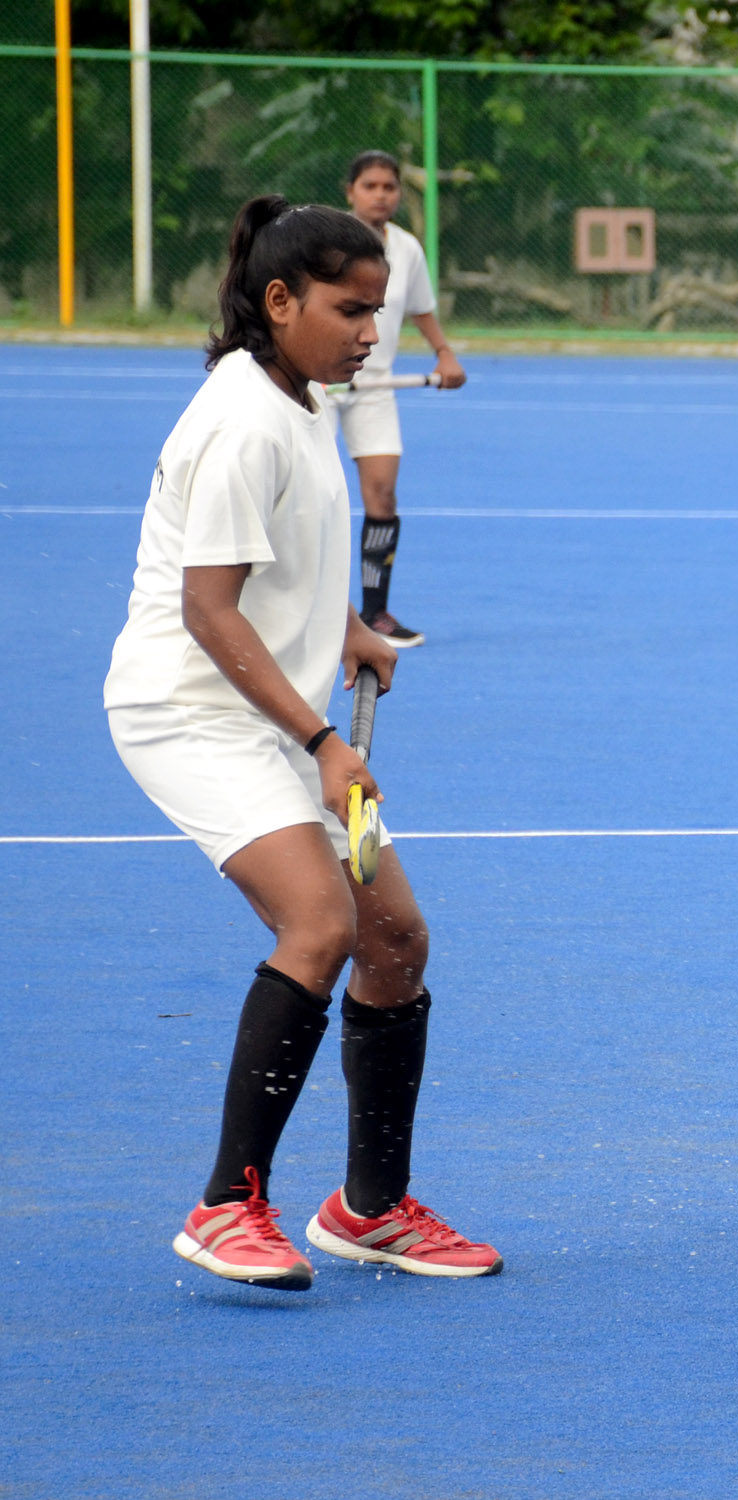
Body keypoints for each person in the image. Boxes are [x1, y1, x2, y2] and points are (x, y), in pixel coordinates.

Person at [106, 196, 501, 1291]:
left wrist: (349, 629)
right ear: (277, 303)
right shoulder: (239, 419)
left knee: (397, 943)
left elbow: (290, 565)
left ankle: (369, 1210)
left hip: (269, 702)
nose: (370, 334)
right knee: (323, 923)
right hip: (191, 708)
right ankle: (227, 1204)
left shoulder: (304, 396)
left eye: (379, 311)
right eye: (350, 310)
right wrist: (325, 737)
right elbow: (211, 610)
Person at [331, 149, 467, 649]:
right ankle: (308, 613)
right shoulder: (327, 242)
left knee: (383, 495)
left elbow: (421, 309)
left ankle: (374, 615)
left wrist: (444, 354)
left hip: (375, 386)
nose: (381, 194)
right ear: (351, 192)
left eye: (389, 187)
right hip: (321, 385)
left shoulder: (406, 248)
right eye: (370, 186)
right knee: (311, 497)